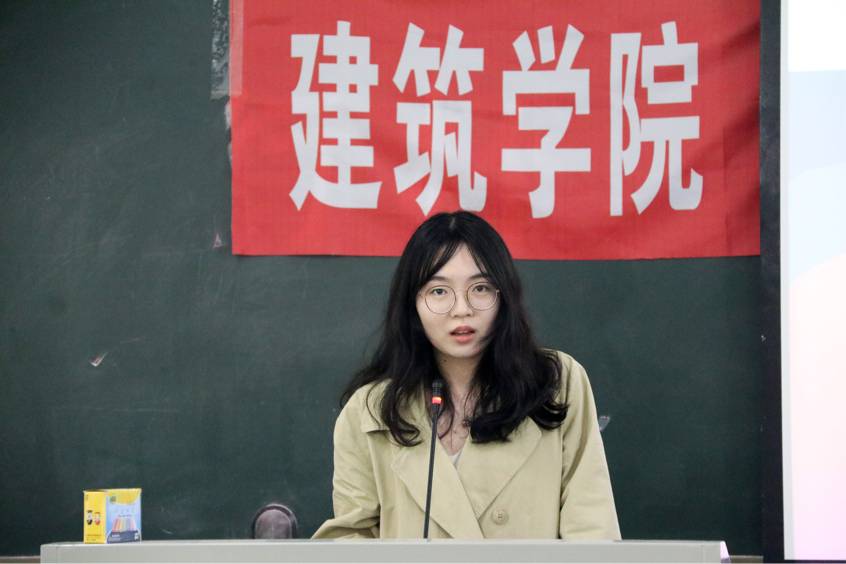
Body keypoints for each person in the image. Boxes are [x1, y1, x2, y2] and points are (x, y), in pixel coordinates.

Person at [313, 211, 620, 539]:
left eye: (480, 288)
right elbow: (350, 542)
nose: (462, 309)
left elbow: (592, 532)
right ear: (412, 303)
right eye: (439, 291)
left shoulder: (556, 383)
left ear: (504, 296)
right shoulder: (370, 411)